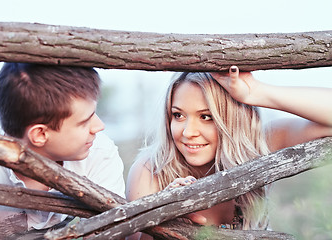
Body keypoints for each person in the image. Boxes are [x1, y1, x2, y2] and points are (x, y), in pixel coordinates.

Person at [126, 66, 332, 239]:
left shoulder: (260, 144)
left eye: (206, 117)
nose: (188, 132)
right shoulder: (151, 171)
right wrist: (165, 213)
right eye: (178, 115)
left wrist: (256, 92)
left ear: (232, 119)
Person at [0, 63, 125, 239]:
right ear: (40, 134)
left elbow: (113, 230)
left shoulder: (99, 152)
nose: (99, 126)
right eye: (84, 122)